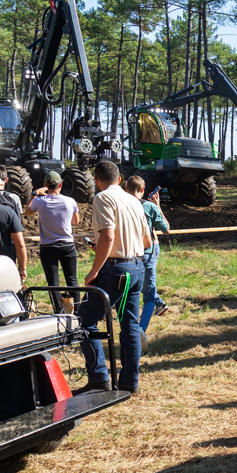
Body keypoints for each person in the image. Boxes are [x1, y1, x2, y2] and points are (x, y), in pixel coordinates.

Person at [76, 161, 152, 394]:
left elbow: (108, 238)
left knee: (84, 322)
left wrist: (94, 271)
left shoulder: (102, 199)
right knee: (129, 324)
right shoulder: (134, 200)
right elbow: (147, 241)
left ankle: (99, 378)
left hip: (115, 268)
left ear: (96, 181)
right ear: (119, 179)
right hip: (138, 266)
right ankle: (130, 383)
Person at [25, 170, 79, 314]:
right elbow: (76, 221)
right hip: (67, 245)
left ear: (45, 185)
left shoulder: (39, 201)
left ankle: (58, 312)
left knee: (53, 283)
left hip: (48, 246)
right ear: (60, 184)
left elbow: (27, 212)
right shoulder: (70, 201)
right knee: (72, 281)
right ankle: (79, 312)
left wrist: (35, 194)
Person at [126, 176, 170, 340]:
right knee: (148, 294)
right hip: (148, 251)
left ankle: (158, 304)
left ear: (126, 189)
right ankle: (140, 329)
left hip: (128, 254)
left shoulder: (122, 205)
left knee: (133, 291)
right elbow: (166, 229)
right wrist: (158, 207)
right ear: (142, 189)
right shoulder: (150, 206)